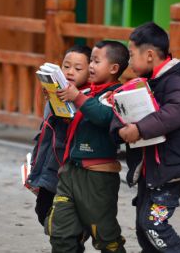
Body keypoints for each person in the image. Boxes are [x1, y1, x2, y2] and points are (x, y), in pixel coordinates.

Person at [111, 22, 180, 253]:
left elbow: (177, 110)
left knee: (153, 224)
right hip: (153, 170)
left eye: (132, 55)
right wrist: (120, 130)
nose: (130, 62)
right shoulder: (147, 81)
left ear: (150, 55)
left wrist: (140, 129)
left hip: (173, 170)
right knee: (143, 227)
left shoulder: (175, 80)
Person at [46, 40, 129, 253]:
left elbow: (105, 117)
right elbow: (72, 123)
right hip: (70, 172)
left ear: (113, 68)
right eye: (90, 60)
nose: (90, 65)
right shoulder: (88, 93)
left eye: (96, 61)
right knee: (60, 232)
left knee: (105, 237)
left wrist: (78, 98)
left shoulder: (119, 93)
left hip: (97, 179)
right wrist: (58, 102)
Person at [27, 45, 91, 226]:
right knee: (42, 211)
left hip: (68, 170)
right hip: (49, 164)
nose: (70, 72)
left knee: (62, 220)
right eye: (66, 66)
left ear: (90, 72)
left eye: (78, 69)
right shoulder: (57, 91)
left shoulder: (88, 98)